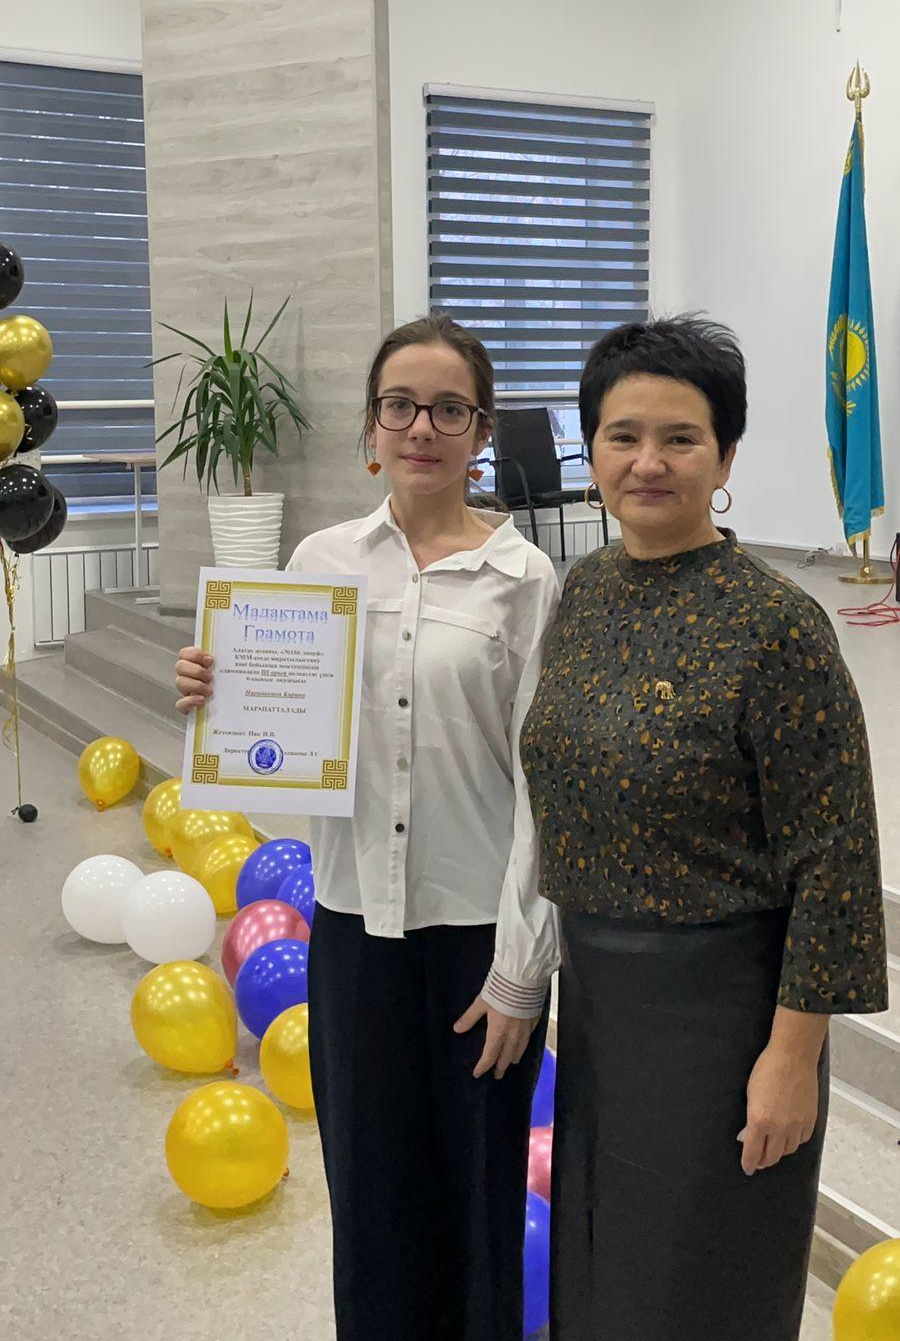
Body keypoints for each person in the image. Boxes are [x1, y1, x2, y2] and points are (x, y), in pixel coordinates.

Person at [175, 314, 560, 1341]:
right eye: (401, 405)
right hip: (353, 931)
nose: (422, 427)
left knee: (477, 1204)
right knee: (372, 1202)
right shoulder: (321, 560)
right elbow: (286, 755)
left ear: (481, 431)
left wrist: (523, 969)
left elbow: (545, 786)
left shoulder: (525, 580)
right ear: (373, 427)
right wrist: (220, 699)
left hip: (477, 940)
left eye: (449, 408)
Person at [520, 316, 888, 1341]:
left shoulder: (778, 626)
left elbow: (837, 862)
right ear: (593, 451)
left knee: (702, 1284)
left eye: (680, 437)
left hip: (723, 1019)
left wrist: (791, 1058)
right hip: (602, 1005)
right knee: (606, 1270)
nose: (648, 461)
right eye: (622, 434)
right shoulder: (585, 591)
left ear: (724, 459)